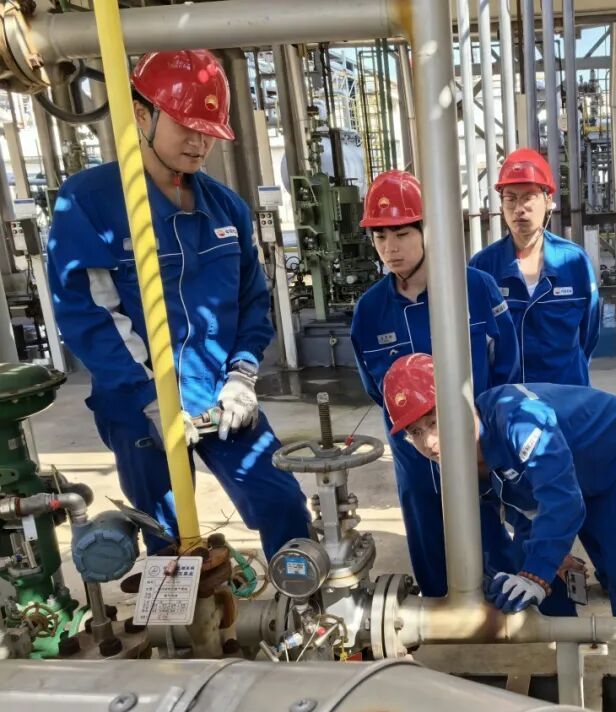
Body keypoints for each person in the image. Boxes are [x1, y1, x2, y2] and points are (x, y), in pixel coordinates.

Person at [46, 49, 310, 559]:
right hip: (139, 405)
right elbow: (88, 314)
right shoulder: (89, 202)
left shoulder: (226, 207)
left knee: (283, 503)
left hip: (220, 394)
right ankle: (192, 611)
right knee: (169, 536)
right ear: (141, 115)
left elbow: (251, 302)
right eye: (186, 127)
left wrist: (242, 376)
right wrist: (150, 395)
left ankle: (302, 599)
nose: (199, 143)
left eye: (208, 131)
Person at [349, 170, 521, 597]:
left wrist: (486, 425)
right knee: (428, 538)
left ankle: (503, 609)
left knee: (490, 530)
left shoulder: (475, 288)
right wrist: (417, 431)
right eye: (380, 236)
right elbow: (375, 388)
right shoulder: (370, 311)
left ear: (428, 231)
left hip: (475, 443)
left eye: (402, 234)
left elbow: (507, 363)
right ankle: (437, 611)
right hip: (414, 453)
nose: (390, 248)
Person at [383, 353, 616, 617]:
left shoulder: (521, 419)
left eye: (434, 422)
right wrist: (547, 558)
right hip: (564, 476)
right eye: (415, 432)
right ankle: (562, 638)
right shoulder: (452, 456)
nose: (429, 442)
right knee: (529, 561)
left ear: (460, 405)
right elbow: (516, 502)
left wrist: (537, 573)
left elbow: (564, 502)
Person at [469, 148, 600, 385]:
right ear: (501, 204)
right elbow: (475, 342)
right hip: (508, 397)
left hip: (566, 395)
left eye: (528, 197)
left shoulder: (574, 263)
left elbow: (588, 335)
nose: (519, 208)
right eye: (510, 198)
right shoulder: (483, 267)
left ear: (548, 200)